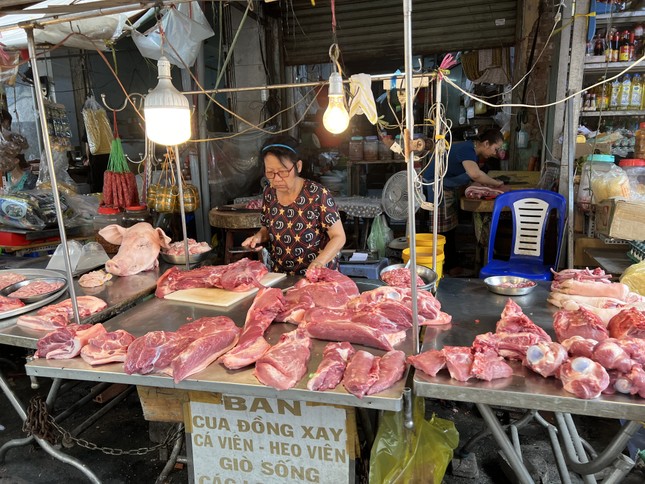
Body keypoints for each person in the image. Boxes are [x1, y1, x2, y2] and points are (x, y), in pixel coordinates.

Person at [242, 135, 346, 275]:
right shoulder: (269, 193)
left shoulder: (317, 194)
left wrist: (319, 262)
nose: (277, 179)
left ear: (298, 166)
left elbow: (339, 237)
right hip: (281, 277)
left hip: (318, 277)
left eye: (283, 172)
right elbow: (266, 229)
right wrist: (258, 237)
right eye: (270, 172)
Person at [423, 128, 507, 274]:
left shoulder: (470, 149)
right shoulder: (467, 149)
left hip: (444, 187)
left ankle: (450, 263)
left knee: (450, 228)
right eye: (495, 149)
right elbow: (475, 174)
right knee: (442, 231)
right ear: (486, 143)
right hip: (435, 188)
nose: (495, 153)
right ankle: (444, 267)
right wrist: (497, 184)